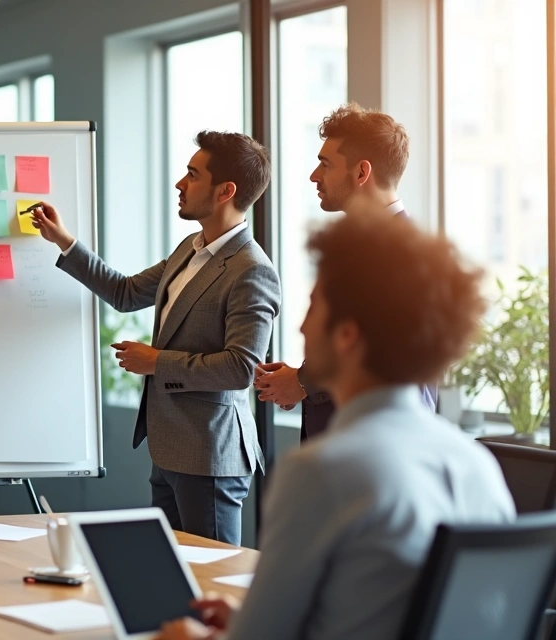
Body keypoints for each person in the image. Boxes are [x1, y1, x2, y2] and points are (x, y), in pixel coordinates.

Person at [159, 213, 516, 640]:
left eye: (313, 305)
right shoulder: (479, 467)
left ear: (346, 335)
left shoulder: (323, 471)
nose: (301, 325)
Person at [30, 131, 280, 545]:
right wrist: (64, 242)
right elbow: (125, 293)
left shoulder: (251, 270)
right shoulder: (190, 249)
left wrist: (155, 361)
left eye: (192, 174)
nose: (180, 184)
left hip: (210, 455)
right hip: (168, 450)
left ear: (225, 191)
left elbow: (241, 367)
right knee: (172, 578)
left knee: (209, 580)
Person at [254, 103, 436, 441]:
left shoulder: (398, 253)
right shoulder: (369, 245)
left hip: (375, 450)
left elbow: (383, 359)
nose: (314, 175)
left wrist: (302, 381)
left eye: (325, 164)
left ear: (361, 172)